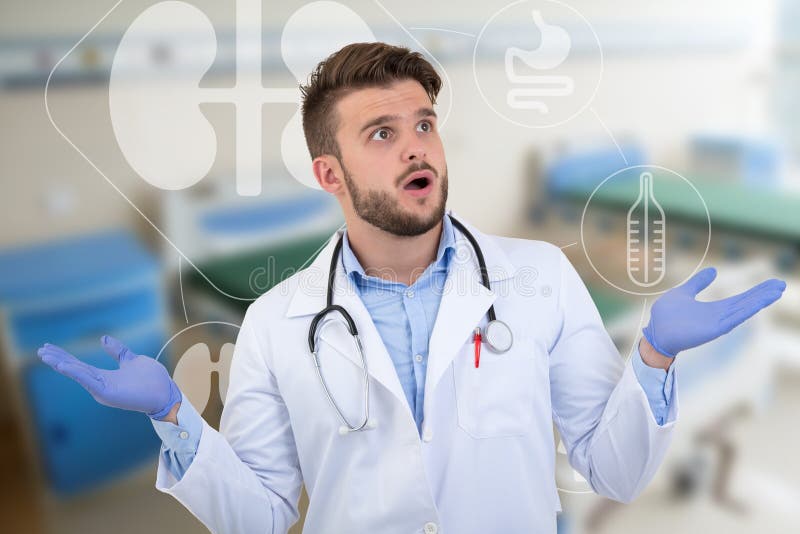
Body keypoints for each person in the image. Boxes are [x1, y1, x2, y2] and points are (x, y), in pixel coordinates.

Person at [37, 42, 786, 533]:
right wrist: (174, 414)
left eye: (423, 124)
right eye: (382, 134)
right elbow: (260, 516)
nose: (416, 147)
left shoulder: (540, 279)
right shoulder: (275, 323)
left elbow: (614, 467)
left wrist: (652, 357)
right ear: (330, 175)